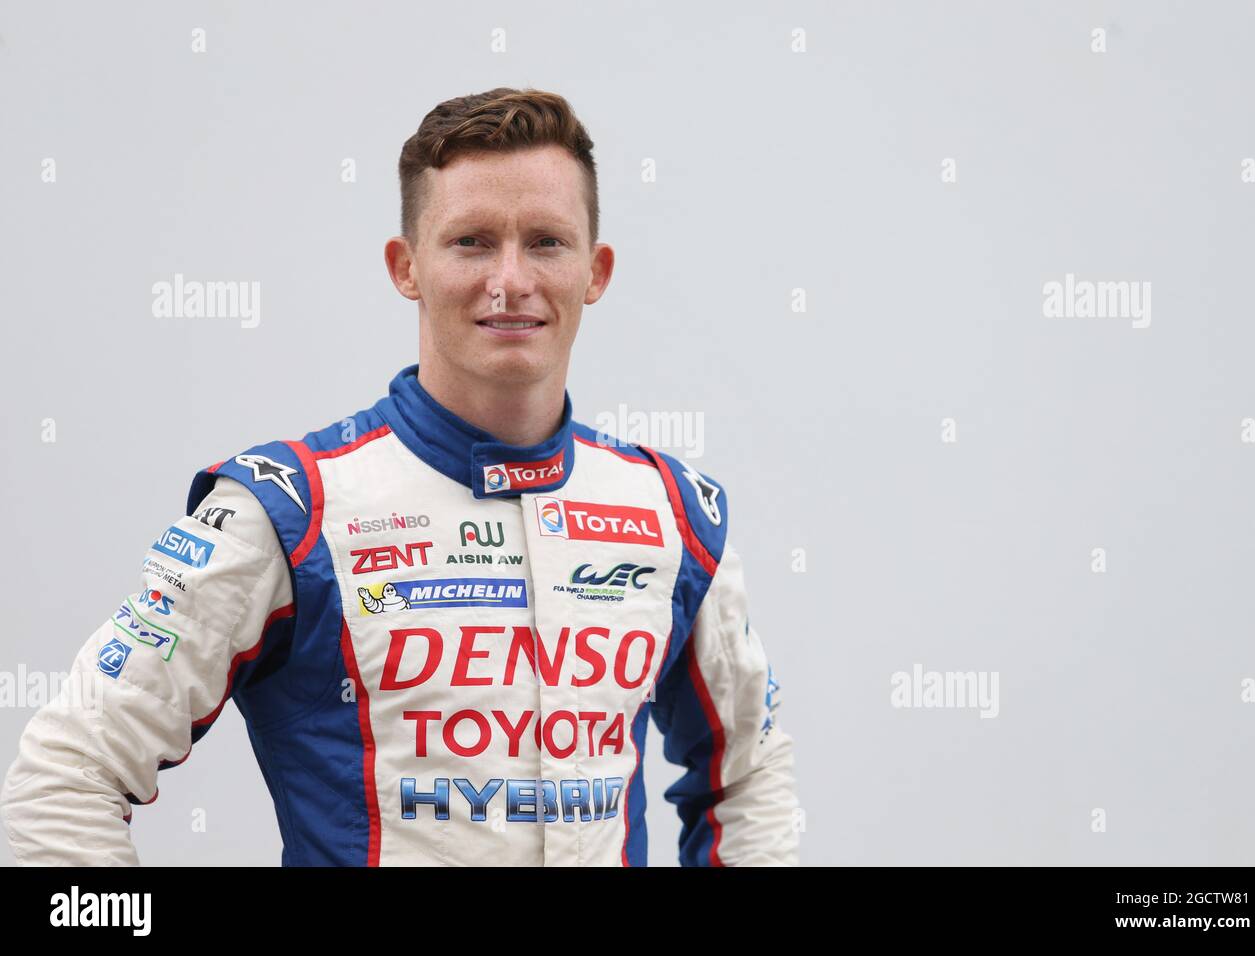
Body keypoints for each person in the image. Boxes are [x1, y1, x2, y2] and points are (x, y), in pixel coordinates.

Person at [0, 88, 798, 866]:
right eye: (472, 241)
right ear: (405, 266)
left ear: (596, 270)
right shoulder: (288, 508)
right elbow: (64, 774)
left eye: (547, 242)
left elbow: (750, 779)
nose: (510, 279)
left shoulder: (671, 513)